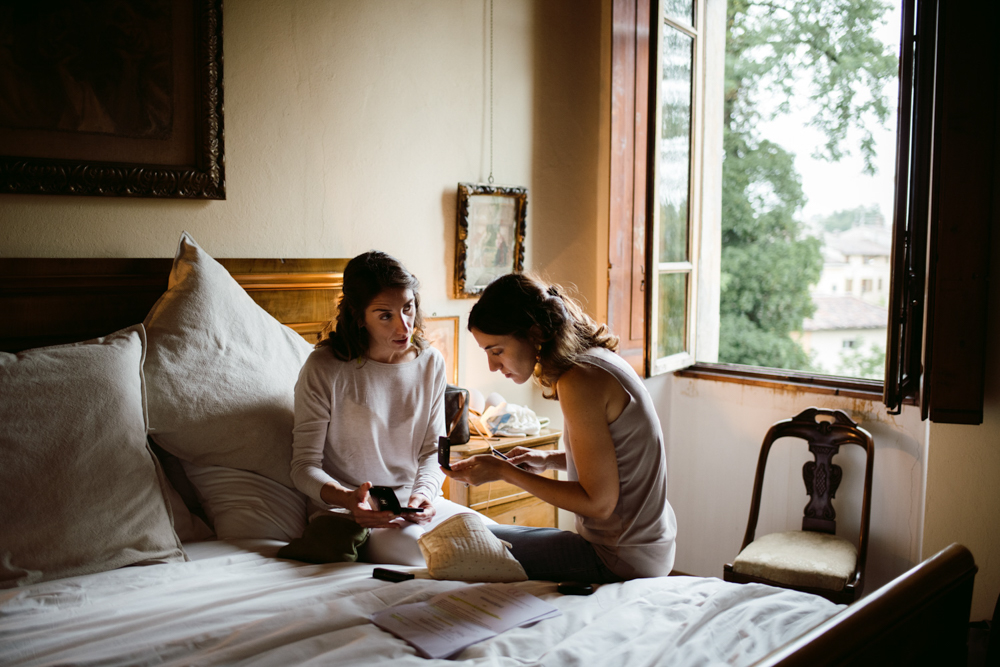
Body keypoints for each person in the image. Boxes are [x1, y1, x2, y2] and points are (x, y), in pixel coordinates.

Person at [443, 273, 677, 582]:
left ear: (534, 332)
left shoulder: (579, 379)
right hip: (652, 547)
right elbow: (620, 461)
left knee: (460, 543)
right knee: (483, 531)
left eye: (496, 350)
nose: (492, 366)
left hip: (620, 557)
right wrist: (549, 459)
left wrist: (505, 472)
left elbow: (599, 504)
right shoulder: (598, 360)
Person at [289, 250, 477, 566]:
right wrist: (349, 500)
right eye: (385, 315)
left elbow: (433, 450)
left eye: (408, 308)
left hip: (415, 506)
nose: (404, 327)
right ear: (360, 317)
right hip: (352, 515)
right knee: (442, 558)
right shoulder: (324, 368)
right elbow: (303, 466)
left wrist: (425, 496)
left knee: (492, 542)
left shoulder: (430, 362)